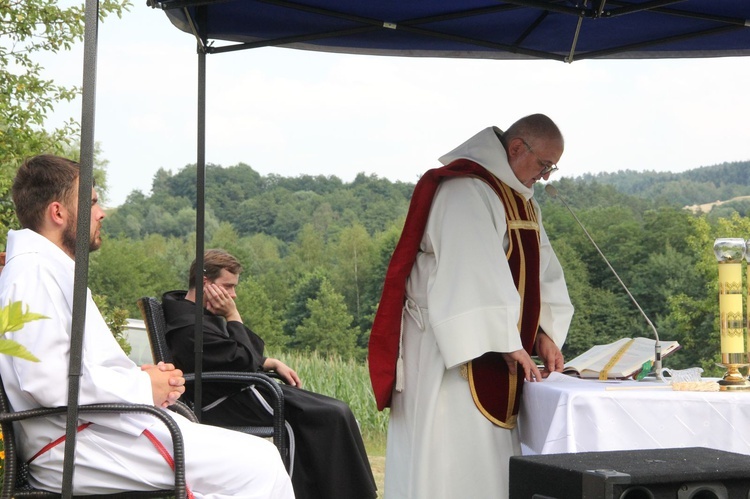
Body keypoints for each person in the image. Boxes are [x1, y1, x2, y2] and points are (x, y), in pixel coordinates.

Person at [0, 154, 294, 498]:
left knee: (259, 462)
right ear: (58, 213)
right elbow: (45, 381)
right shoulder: (33, 273)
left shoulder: (45, 270)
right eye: (92, 201)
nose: (101, 212)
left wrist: (143, 378)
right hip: (77, 445)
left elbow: (68, 369)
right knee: (260, 465)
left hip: (93, 432)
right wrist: (141, 387)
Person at [368, 114, 575, 498]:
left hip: (497, 345)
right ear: (516, 148)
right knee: (447, 456)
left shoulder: (521, 199)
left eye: (552, 167)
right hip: (447, 350)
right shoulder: (465, 188)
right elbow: (469, 268)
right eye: (544, 165)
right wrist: (505, 337)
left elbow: (542, 272)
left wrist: (544, 334)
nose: (545, 177)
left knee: (488, 460)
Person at [161, 249, 377, 499]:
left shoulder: (193, 315)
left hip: (240, 388)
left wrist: (268, 361)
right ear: (206, 283)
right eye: (228, 286)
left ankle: (358, 492)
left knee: (339, 410)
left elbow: (238, 354)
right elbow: (241, 360)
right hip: (227, 400)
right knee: (324, 416)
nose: (233, 295)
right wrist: (233, 316)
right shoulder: (189, 326)